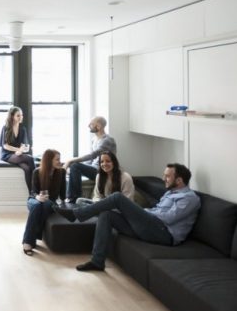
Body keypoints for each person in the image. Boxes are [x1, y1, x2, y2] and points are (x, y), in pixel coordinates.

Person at [54, 163, 201, 272]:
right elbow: (157, 210)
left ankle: (77, 214)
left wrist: (141, 212)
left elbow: (168, 218)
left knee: (117, 198)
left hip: (164, 234)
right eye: (164, 175)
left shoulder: (190, 198)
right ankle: (97, 261)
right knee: (107, 214)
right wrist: (140, 212)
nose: (164, 179)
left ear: (179, 180)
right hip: (150, 227)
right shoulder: (170, 193)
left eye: (168, 176)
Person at [22, 149, 67, 256]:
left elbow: (63, 194)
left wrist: (64, 204)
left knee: (47, 204)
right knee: (37, 205)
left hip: (49, 202)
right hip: (34, 199)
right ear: (49, 160)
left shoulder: (61, 172)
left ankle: (30, 239)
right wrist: (38, 197)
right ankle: (28, 242)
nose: (60, 161)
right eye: (57, 159)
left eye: (59, 159)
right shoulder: (37, 172)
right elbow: (33, 192)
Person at [63, 116, 117, 203]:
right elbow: (90, 161)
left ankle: (73, 199)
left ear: (99, 126)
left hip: (102, 170)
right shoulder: (94, 139)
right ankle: (69, 198)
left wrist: (70, 161)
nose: (88, 125)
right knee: (73, 168)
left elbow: (92, 155)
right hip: (94, 168)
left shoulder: (107, 140)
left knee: (75, 166)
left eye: (91, 124)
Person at [0, 106, 35, 193]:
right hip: (7, 154)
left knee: (26, 169)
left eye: (21, 115)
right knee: (30, 159)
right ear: (12, 116)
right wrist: (18, 150)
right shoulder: (6, 128)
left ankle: (31, 192)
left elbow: (26, 146)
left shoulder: (22, 129)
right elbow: (5, 146)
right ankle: (38, 187)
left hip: (17, 155)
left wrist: (22, 150)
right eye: (18, 115)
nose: (21, 117)